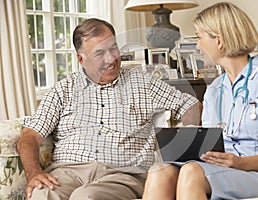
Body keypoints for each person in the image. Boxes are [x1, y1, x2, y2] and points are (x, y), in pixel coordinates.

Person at [17, 18, 200, 200]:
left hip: (122, 174)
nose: (111, 58)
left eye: (113, 48)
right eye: (99, 53)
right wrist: (33, 173)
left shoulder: (143, 83)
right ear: (81, 58)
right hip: (68, 172)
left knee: (86, 197)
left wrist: (186, 135)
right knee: (41, 193)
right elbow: (30, 136)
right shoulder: (63, 89)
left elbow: (191, 104)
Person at [142, 2, 258, 200]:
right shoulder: (215, 89)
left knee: (192, 173)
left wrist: (241, 163)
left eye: (199, 37)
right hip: (226, 170)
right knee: (161, 171)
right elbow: (210, 145)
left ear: (219, 40)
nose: (197, 45)